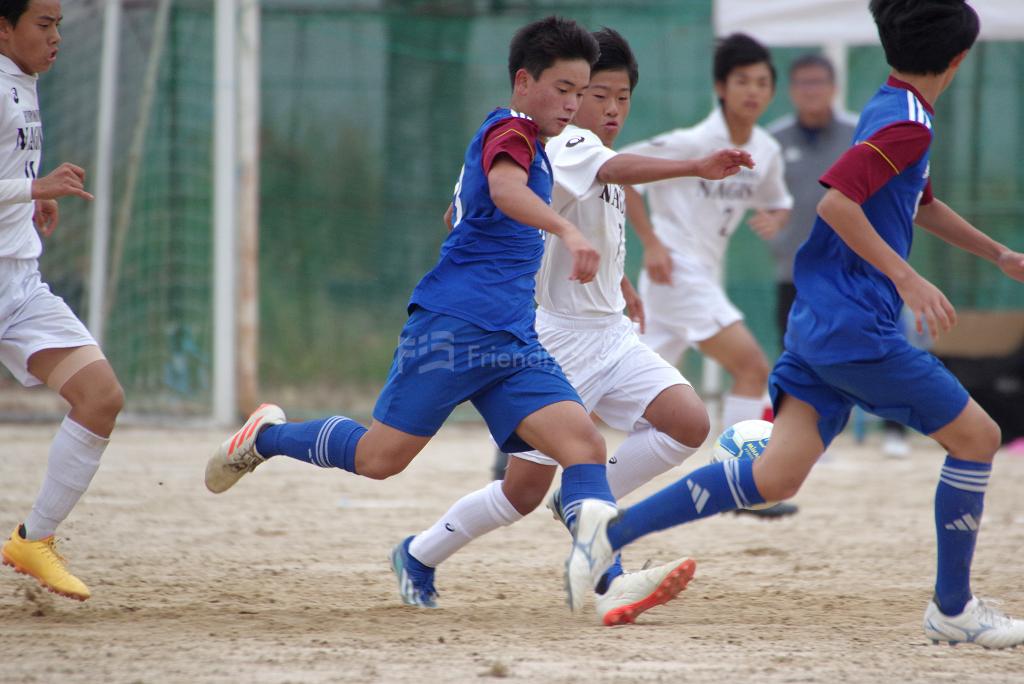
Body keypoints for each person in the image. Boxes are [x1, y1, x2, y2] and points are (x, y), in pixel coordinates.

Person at [565, 0, 1024, 649]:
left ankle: (609, 532)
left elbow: (917, 200)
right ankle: (953, 608)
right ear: (957, 59)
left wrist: (999, 255)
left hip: (820, 324)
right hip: (856, 328)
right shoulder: (907, 124)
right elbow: (838, 203)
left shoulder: (893, 104)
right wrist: (907, 278)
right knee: (979, 437)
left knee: (775, 478)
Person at [204, 16, 621, 607]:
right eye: (564, 89)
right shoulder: (514, 129)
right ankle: (268, 437)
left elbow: (472, 209)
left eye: (582, 92)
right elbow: (504, 191)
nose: (574, 103)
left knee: (584, 446)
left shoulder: (536, 148)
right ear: (524, 81)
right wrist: (567, 233)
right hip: (454, 330)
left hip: (512, 342)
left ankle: (606, 574)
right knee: (379, 460)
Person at [397, 28, 754, 624]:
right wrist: (695, 164)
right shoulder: (564, 148)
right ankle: (420, 553)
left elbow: (492, 208)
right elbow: (521, 194)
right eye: (597, 94)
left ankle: (589, 512)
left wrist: (620, 280)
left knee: (688, 422)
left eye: (622, 97)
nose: (610, 107)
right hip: (556, 339)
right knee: (520, 492)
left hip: (609, 331)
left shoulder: (578, 153)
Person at [622, 33, 797, 518]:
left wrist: (776, 217)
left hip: (691, 281)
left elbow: (779, 199)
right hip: (677, 272)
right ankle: (742, 485)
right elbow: (621, 173)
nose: (753, 91)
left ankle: (525, 439)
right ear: (721, 86)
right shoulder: (693, 142)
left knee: (617, 388)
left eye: (763, 82)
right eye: (742, 80)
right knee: (752, 367)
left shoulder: (766, 148)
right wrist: (653, 243)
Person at [0, 0, 125, 602]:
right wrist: (32, 186)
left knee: (101, 397)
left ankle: (34, 539)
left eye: (58, 27)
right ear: (3, 27)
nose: (55, 39)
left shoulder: (21, 80)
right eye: (43, 26)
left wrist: (29, 197)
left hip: (19, 284)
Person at [769, 60, 916, 459]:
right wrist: (772, 226)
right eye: (802, 82)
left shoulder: (859, 133)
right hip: (796, 267)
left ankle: (895, 432)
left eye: (818, 81)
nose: (811, 89)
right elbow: (762, 197)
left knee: (885, 343)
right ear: (791, 90)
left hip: (857, 267)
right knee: (799, 353)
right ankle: (811, 438)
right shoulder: (774, 140)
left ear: (834, 87)